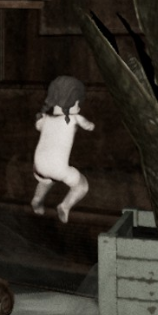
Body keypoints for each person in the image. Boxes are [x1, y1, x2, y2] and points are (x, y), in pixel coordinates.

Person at [30, 75, 94, 223]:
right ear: (73, 102)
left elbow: (38, 126)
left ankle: (37, 200)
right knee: (82, 186)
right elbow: (88, 126)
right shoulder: (74, 118)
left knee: (46, 181)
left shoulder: (44, 119)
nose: (79, 107)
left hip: (39, 166)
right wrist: (89, 125)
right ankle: (65, 205)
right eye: (78, 103)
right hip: (59, 169)